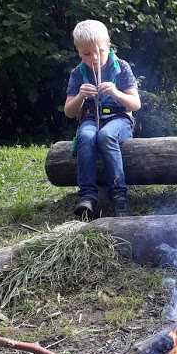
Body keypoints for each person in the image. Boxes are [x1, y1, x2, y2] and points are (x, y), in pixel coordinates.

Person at [64, 20, 141, 219]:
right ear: (79, 52)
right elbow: (69, 112)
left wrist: (116, 93)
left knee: (106, 136)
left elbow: (135, 104)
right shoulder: (78, 73)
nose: (94, 58)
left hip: (120, 119)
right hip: (90, 119)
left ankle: (119, 196)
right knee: (87, 136)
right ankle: (87, 196)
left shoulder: (121, 67)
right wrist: (80, 96)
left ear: (108, 45)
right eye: (87, 54)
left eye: (99, 51)